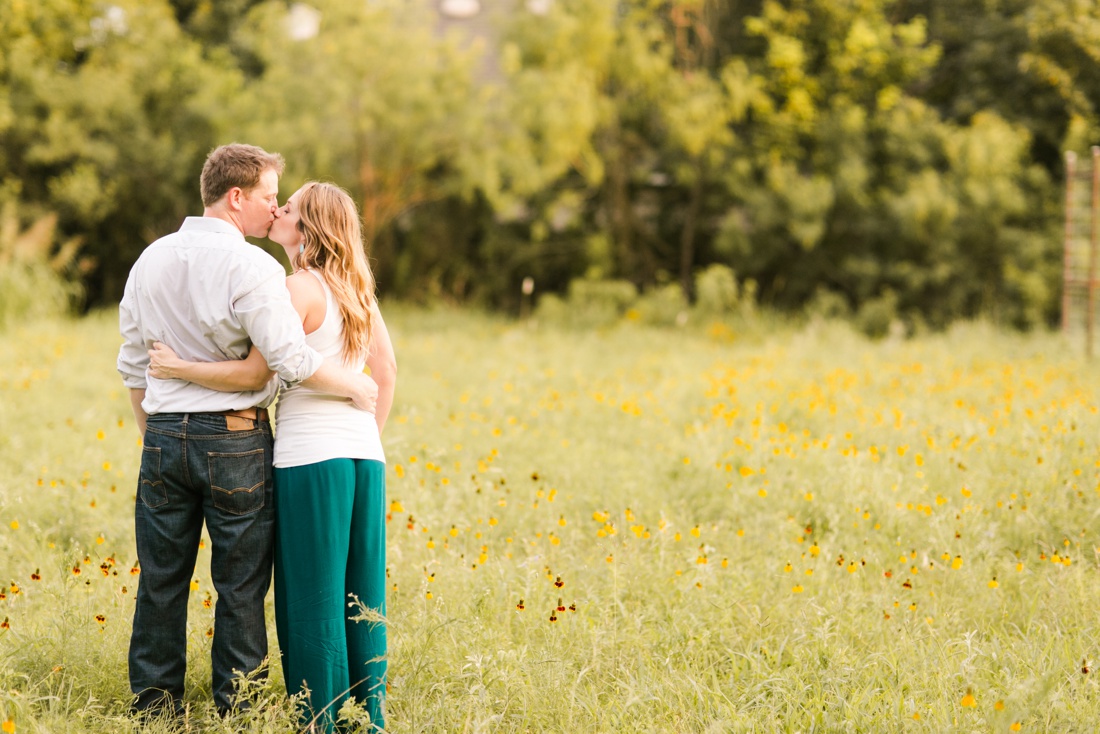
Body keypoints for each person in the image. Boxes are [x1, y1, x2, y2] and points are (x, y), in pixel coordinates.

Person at [116, 144, 379, 720]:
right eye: (268, 198)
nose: (274, 208)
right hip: (236, 440)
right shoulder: (254, 266)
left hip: (162, 436)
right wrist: (356, 387)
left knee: (160, 581)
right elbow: (288, 359)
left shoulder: (150, 259)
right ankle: (240, 711)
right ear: (237, 197)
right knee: (240, 586)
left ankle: (156, 710)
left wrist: (154, 432)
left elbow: (134, 365)